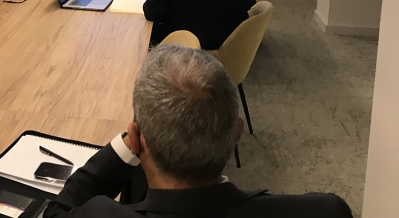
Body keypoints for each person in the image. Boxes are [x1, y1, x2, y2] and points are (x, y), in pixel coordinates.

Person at [45, 45, 353, 218]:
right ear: (237, 131)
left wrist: (125, 146)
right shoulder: (327, 212)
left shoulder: (100, 215)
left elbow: (56, 212)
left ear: (139, 139)